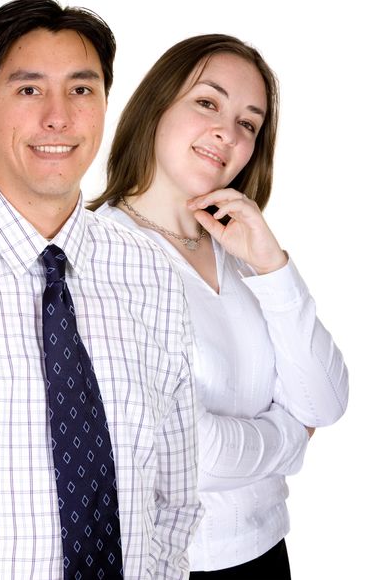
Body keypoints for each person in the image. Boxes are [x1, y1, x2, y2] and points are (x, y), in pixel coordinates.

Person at [0, 0, 203, 580]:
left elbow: (174, 492)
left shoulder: (152, 271)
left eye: (81, 90)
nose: (58, 117)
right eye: (28, 90)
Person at [89, 33, 349, 578]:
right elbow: (180, 450)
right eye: (208, 102)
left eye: (249, 124)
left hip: (267, 552)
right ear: (156, 106)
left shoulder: (243, 253)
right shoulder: (97, 258)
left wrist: (274, 267)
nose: (227, 132)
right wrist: (290, 441)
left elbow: (325, 404)